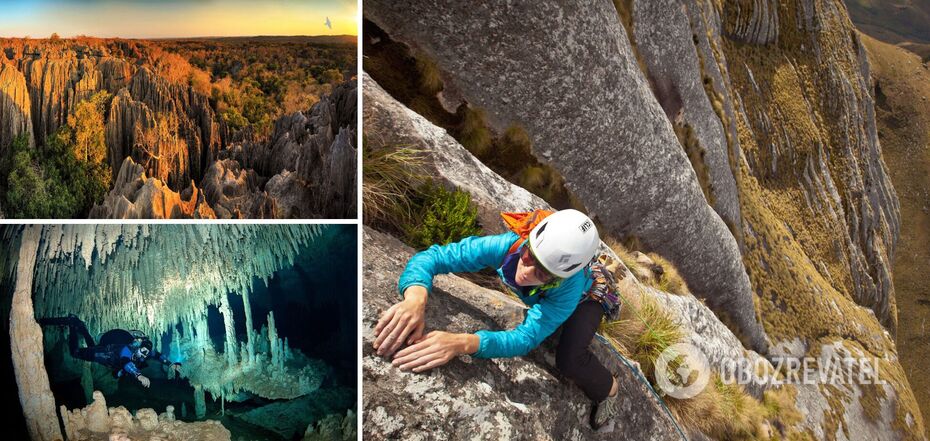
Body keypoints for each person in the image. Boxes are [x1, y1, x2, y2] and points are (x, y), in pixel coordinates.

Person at [373, 209, 624, 428]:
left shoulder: (567, 289)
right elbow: (435, 257)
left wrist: (463, 343)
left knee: (570, 359)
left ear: (557, 279)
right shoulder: (509, 246)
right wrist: (415, 298)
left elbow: (525, 338)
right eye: (529, 257)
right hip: (555, 295)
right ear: (527, 242)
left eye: (541, 273)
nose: (524, 272)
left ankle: (610, 389)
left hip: (588, 298)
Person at [39, 314, 181, 389]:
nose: (144, 355)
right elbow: (126, 362)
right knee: (75, 352)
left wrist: (170, 364)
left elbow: (157, 355)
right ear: (137, 346)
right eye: (143, 351)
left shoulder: (144, 353)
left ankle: (79, 325)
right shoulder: (126, 349)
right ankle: (72, 323)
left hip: (106, 356)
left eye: (145, 353)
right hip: (107, 354)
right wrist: (139, 376)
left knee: (92, 346)